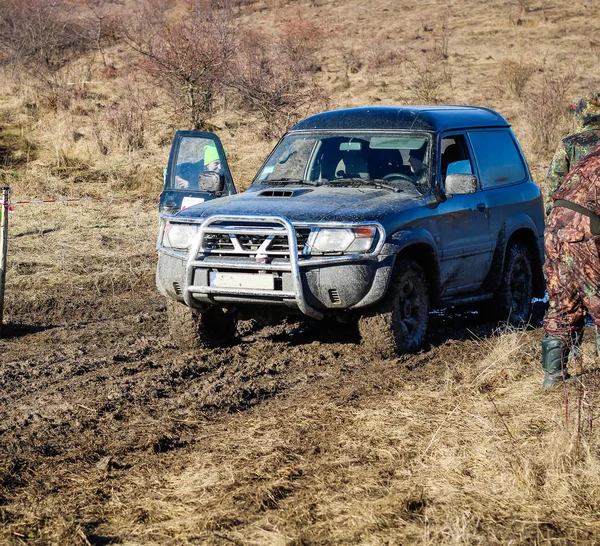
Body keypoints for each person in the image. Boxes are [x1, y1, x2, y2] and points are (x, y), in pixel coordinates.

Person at [542, 143, 600, 390]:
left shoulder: (593, 153)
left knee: (563, 304)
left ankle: (553, 379)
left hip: (555, 227)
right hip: (584, 230)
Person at [545, 92, 600, 205]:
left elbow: (554, 184)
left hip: (579, 216)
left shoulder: (569, 143)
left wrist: (552, 212)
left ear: (579, 113)